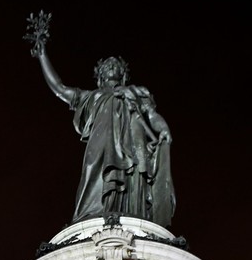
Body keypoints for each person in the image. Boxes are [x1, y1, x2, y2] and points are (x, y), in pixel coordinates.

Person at [27, 12, 175, 228]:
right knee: (93, 171)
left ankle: (131, 213)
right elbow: (59, 88)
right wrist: (42, 54)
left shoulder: (136, 92)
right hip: (100, 142)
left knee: (133, 177)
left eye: (116, 65)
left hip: (133, 142)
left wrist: (164, 128)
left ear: (123, 74)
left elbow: (152, 116)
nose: (112, 65)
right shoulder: (91, 97)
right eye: (107, 65)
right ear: (100, 76)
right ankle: (90, 216)